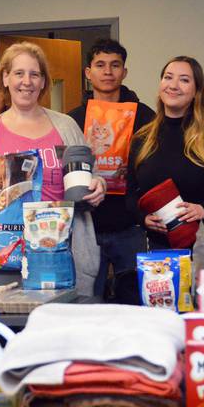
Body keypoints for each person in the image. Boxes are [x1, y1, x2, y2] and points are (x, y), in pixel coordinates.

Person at [0, 42, 105, 296]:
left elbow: (89, 174)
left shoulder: (66, 127)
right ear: (6, 78)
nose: (26, 81)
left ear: (43, 82)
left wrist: (98, 185)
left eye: (35, 74)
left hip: (63, 259)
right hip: (1, 261)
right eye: (19, 73)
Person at [127, 56, 204, 250]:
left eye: (184, 80)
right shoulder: (142, 138)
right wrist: (143, 218)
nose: (173, 85)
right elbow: (130, 193)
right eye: (168, 77)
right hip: (161, 255)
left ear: (197, 92)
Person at [68, 38, 155, 297]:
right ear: (88, 72)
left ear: (124, 72)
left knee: (134, 299)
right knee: (86, 301)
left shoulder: (145, 116)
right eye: (100, 65)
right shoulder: (71, 119)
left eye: (115, 65)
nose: (108, 72)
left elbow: (157, 165)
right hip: (86, 224)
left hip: (129, 224)